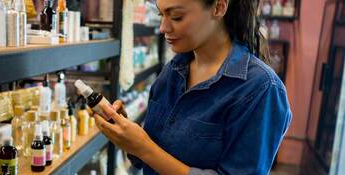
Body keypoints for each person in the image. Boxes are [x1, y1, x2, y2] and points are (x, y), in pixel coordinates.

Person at [93, 0, 292, 174]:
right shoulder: (173, 71)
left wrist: (144, 148)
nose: (163, 28)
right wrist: (128, 136)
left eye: (177, 17)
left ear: (219, 7)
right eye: (161, 14)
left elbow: (150, 152)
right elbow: (150, 155)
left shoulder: (260, 89)